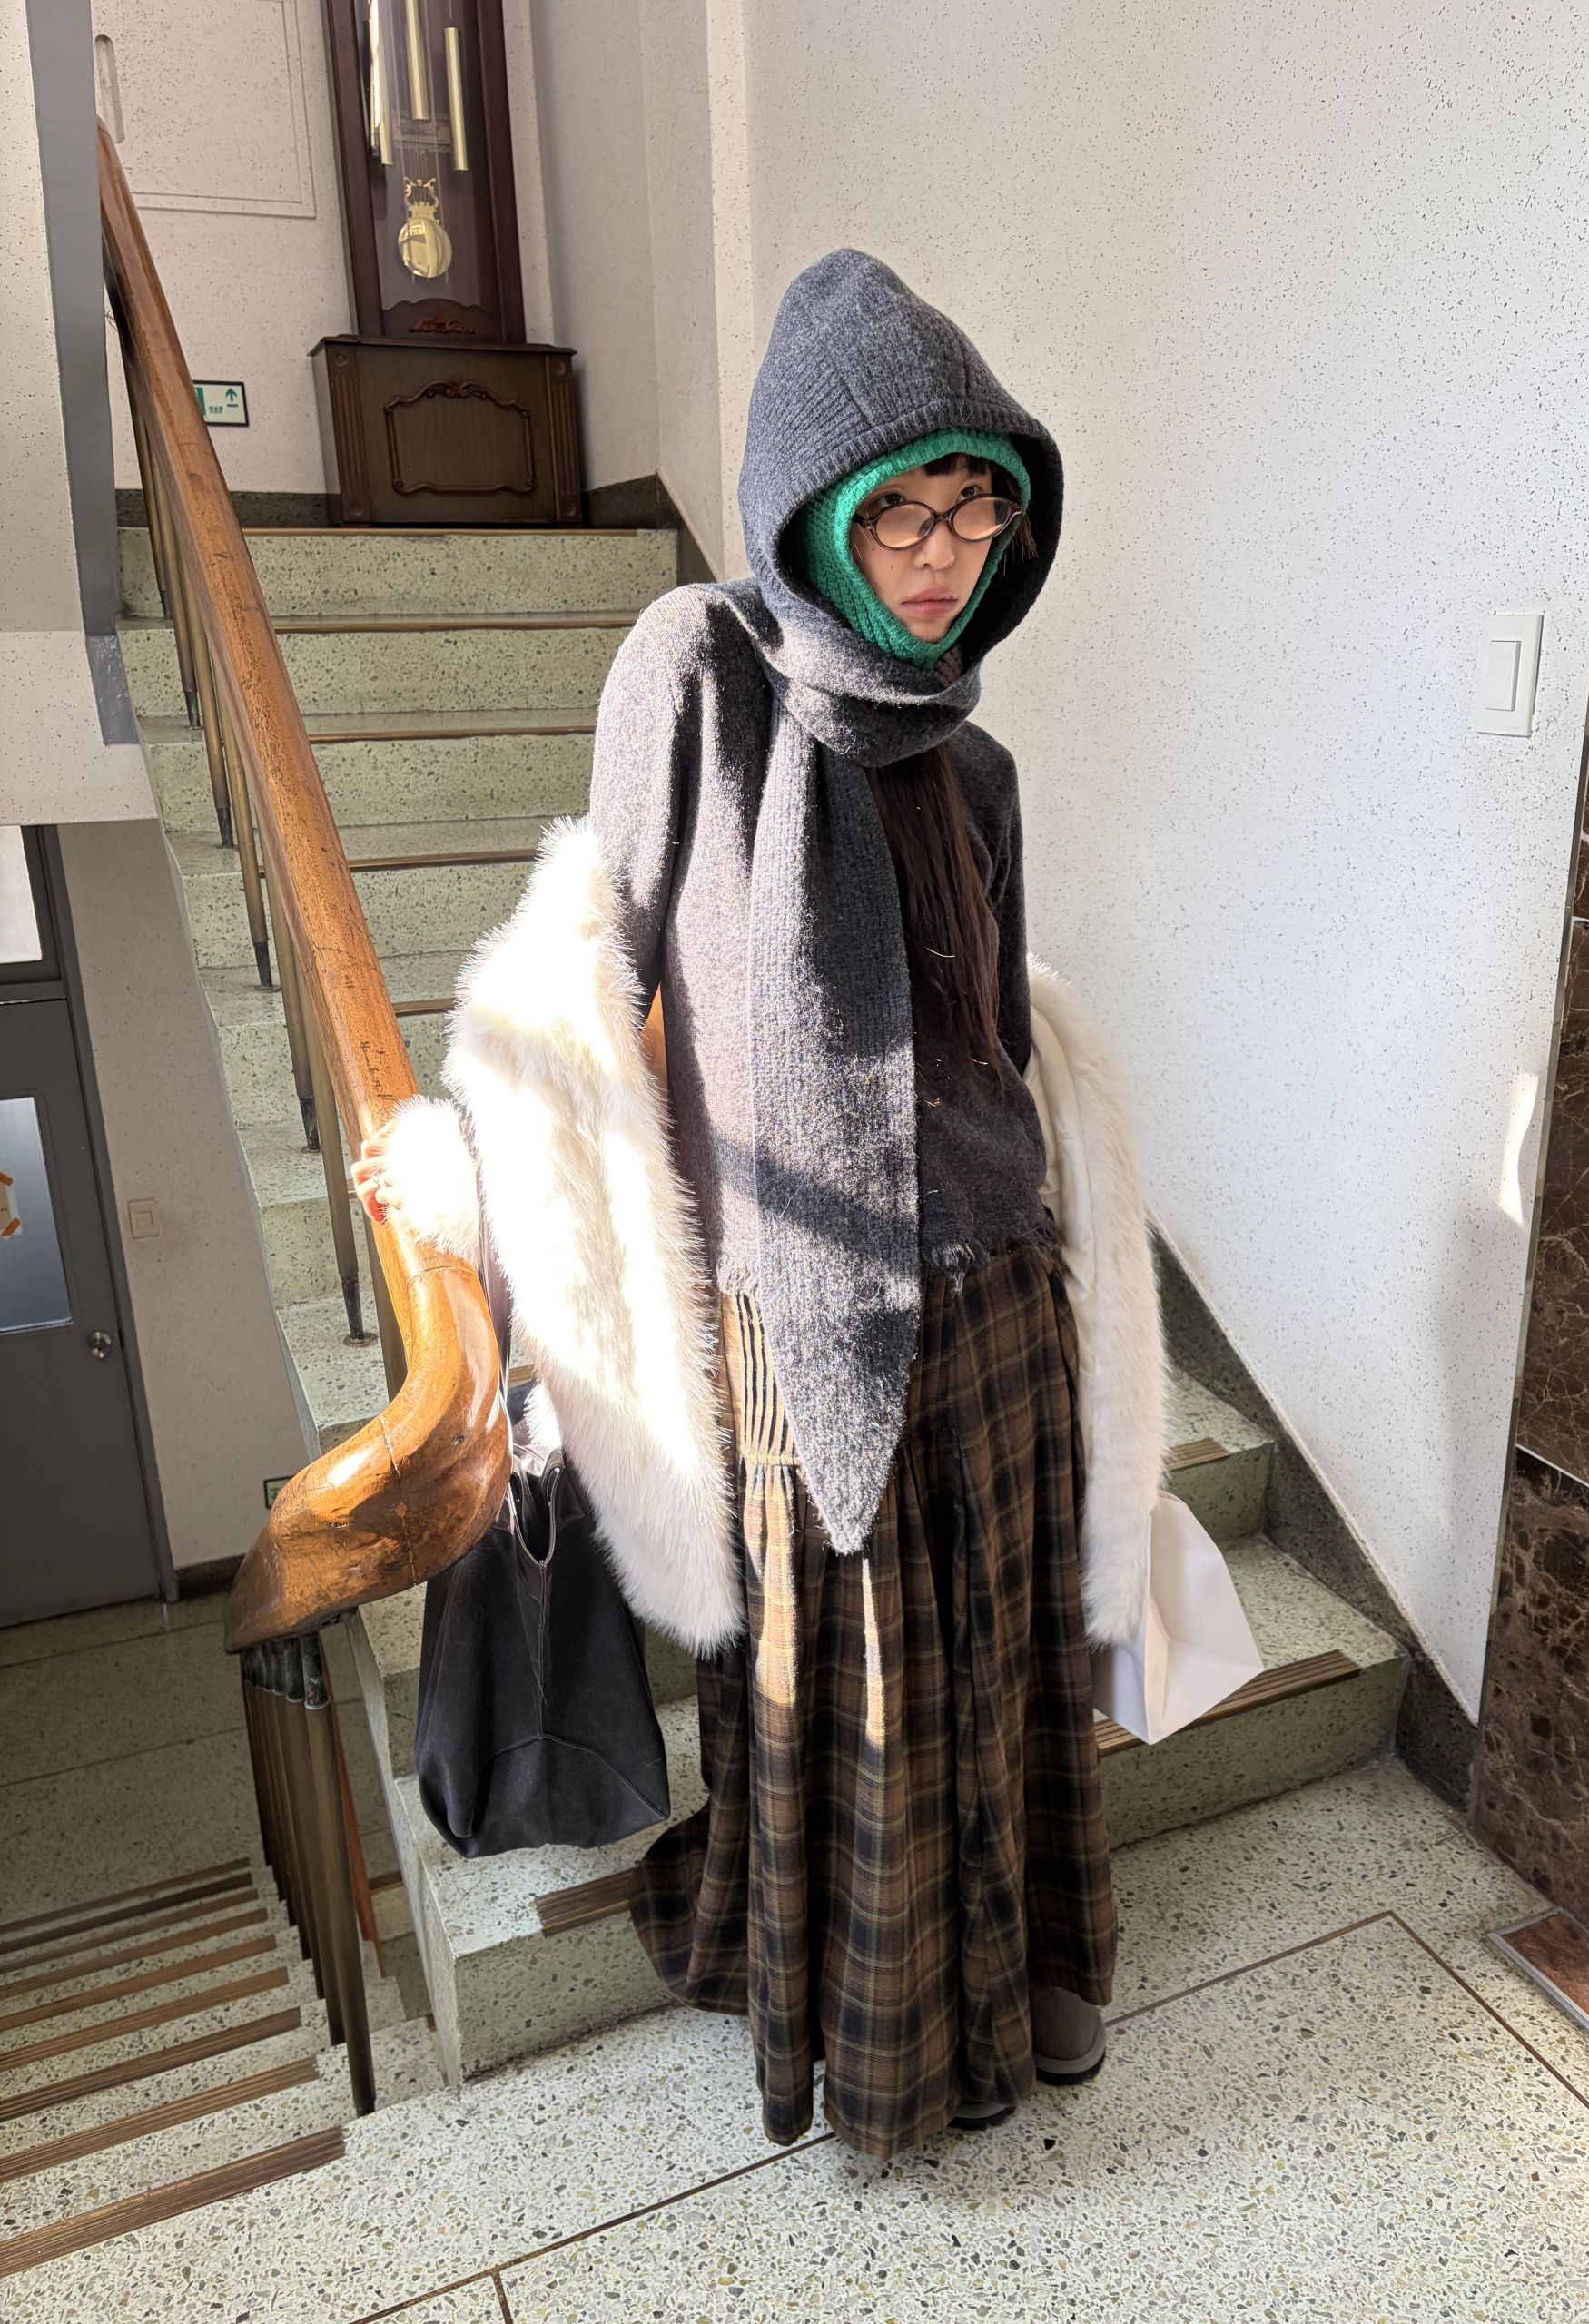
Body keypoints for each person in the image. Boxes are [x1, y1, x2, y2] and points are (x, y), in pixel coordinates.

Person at [355, 248, 1165, 2161]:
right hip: (798, 1310)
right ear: (812, 505)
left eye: (977, 510)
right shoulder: (697, 670)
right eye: (902, 512)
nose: (945, 553)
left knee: (1001, 1659)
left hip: (1000, 1287)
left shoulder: (978, 762)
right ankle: (888, 2048)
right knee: (847, 1688)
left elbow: (994, 1035)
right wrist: (481, 1179)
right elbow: (596, 963)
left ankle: (1034, 1968)